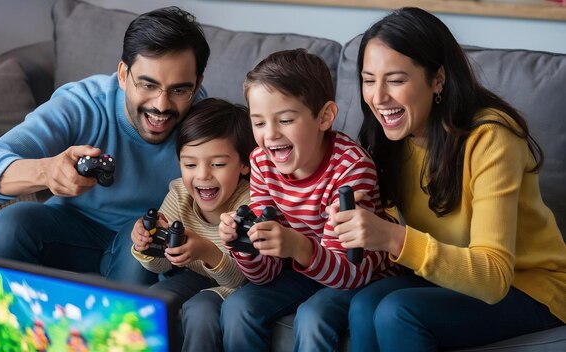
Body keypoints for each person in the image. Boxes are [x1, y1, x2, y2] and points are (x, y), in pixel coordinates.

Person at [327, 7, 566, 351]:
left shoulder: (491, 138)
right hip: (449, 276)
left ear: (437, 79)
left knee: (398, 312)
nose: (378, 98)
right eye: (368, 80)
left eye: (395, 80)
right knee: (364, 306)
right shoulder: (391, 137)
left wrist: (393, 237)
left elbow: (494, 277)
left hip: (529, 286)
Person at [0, 7, 210, 285]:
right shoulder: (83, 103)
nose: (161, 106)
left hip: (143, 241)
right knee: (11, 225)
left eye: (179, 90)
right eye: (148, 85)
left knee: (144, 245)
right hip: (69, 231)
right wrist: (47, 172)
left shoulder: (207, 124)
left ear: (198, 83)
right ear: (123, 74)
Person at [218, 48, 400, 351]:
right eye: (259, 123)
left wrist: (297, 246)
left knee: (313, 317)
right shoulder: (261, 163)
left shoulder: (352, 170)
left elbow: (349, 274)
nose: (270, 135)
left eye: (285, 119)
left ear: (325, 116)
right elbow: (265, 274)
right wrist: (245, 246)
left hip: (362, 277)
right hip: (305, 268)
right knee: (238, 308)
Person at [130, 98, 255, 352]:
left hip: (239, 286)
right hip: (194, 277)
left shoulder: (250, 203)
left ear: (244, 164)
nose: (202, 175)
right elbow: (162, 264)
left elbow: (239, 279)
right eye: (189, 164)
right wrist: (147, 246)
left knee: (200, 311)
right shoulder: (179, 194)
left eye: (217, 164)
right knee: (151, 303)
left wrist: (207, 251)